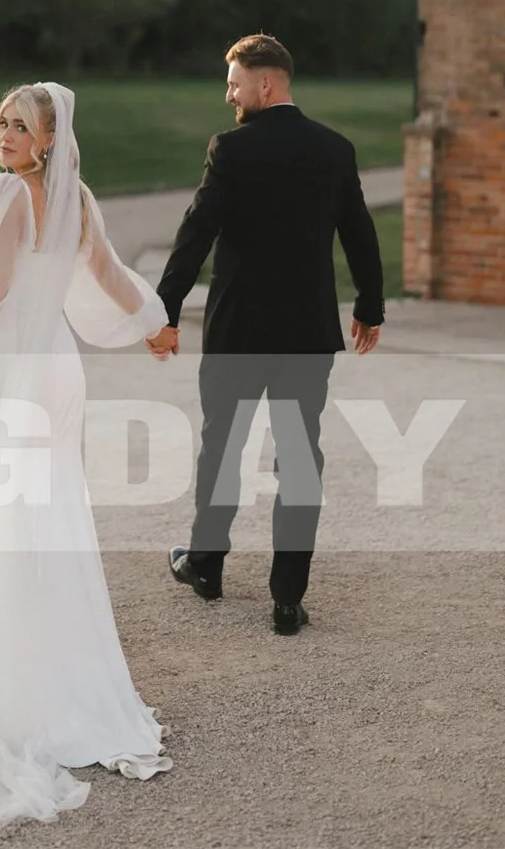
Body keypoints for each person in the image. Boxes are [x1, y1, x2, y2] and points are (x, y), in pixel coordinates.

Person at [0, 82, 173, 826]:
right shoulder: (78, 200)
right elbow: (106, 277)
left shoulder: (8, 199)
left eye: (19, 125)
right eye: (1, 119)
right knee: (52, 508)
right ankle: (62, 652)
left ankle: (11, 657)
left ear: (47, 139)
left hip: (13, 371)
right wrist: (153, 322)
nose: (4, 133)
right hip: (59, 373)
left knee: (2, 509)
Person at [145, 33, 385, 635]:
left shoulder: (231, 149)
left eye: (234, 81)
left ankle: (205, 566)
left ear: (265, 84)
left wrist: (164, 311)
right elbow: (359, 231)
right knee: (301, 459)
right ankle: (286, 599)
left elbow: (195, 232)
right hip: (306, 334)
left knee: (222, 448)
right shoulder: (335, 149)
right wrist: (371, 306)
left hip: (238, 332)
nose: (228, 92)